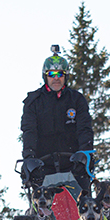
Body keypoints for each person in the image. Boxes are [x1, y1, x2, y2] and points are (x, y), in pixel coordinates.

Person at [20, 45, 94, 192]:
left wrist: (84, 153)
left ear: (65, 76)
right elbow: (29, 130)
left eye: (60, 74)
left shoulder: (76, 100)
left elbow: (84, 129)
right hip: (43, 166)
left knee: (86, 207)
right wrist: (29, 156)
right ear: (45, 76)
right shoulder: (33, 102)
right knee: (41, 208)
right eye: (51, 74)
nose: (56, 78)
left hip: (73, 166)